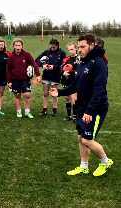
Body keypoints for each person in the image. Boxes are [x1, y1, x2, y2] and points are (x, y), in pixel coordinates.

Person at [50, 33, 113, 177]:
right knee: (81, 137)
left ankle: (105, 161)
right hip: (83, 107)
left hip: (95, 108)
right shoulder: (83, 61)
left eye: (83, 46)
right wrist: (59, 92)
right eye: (79, 47)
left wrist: (90, 111)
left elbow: (99, 90)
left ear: (92, 45)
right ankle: (84, 166)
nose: (80, 49)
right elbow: (75, 85)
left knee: (87, 140)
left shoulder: (99, 63)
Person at [6, 38, 41, 119]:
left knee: (27, 95)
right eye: (16, 45)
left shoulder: (27, 55)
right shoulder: (11, 57)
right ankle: (19, 111)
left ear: (22, 46)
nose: (18, 47)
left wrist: (38, 74)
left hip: (25, 79)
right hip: (15, 80)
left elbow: (34, 64)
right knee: (17, 95)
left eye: (19, 45)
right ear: (14, 46)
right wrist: (9, 81)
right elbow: (8, 70)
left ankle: (27, 112)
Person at [35, 38, 66, 116]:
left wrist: (54, 67)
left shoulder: (62, 53)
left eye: (54, 47)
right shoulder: (46, 52)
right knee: (45, 93)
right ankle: (44, 109)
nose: (52, 48)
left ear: (57, 46)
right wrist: (43, 65)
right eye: (51, 46)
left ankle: (54, 109)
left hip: (55, 76)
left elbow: (63, 65)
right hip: (46, 76)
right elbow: (37, 60)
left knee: (54, 93)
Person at [61, 42, 79, 121]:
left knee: (74, 98)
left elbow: (80, 70)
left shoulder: (79, 59)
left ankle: (75, 116)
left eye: (72, 49)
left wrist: (71, 72)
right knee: (67, 98)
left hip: (75, 80)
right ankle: (69, 116)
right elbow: (61, 68)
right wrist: (63, 72)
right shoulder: (66, 59)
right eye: (69, 50)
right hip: (66, 80)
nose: (70, 51)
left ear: (76, 49)